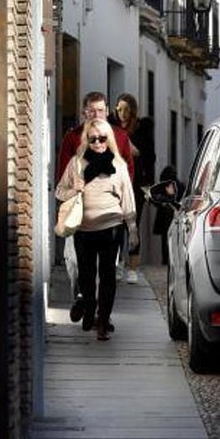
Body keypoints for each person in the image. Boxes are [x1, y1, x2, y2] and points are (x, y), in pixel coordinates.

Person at [54, 117, 135, 341]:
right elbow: (59, 192)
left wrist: (133, 229)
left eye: (102, 138)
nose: (98, 143)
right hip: (84, 229)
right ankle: (90, 307)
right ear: (86, 140)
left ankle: (102, 321)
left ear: (109, 139)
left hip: (111, 227)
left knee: (108, 276)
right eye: (93, 139)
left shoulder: (118, 166)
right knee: (87, 277)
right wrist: (74, 190)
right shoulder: (77, 164)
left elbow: (127, 199)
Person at [115, 93, 155, 283]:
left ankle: (132, 268)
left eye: (125, 109)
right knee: (115, 224)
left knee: (132, 225)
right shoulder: (112, 128)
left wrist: (126, 142)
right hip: (115, 182)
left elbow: (146, 155)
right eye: (119, 109)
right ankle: (118, 263)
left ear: (132, 111)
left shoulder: (141, 129)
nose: (121, 113)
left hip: (135, 184)